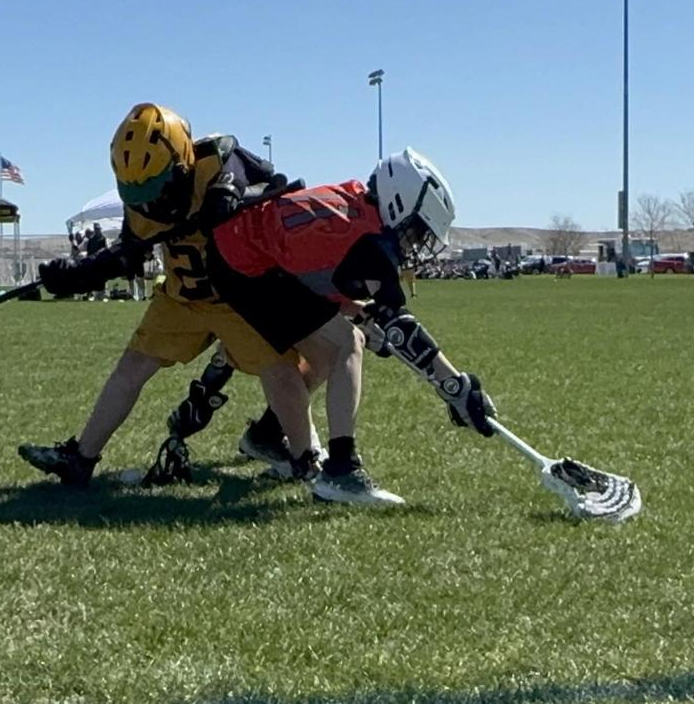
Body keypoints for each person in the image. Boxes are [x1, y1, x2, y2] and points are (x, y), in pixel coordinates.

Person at [21, 102, 320, 490]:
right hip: (181, 298)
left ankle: (305, 462)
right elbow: (129, 254)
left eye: (156, 186)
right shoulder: (141, 198)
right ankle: (81, 458)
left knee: (280, 372)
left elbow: (273, 181)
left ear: (182, 161)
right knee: (131, 368)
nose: (149, 201)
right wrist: (79, 275)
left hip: (239, 298)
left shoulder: (219, 162)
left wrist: (230, 191)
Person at [205, 147, 498, 504]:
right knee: (347, 343)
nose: (417, 242)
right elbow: (402, 328)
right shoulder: (367, 240)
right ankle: (341, 471)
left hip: (249, 259)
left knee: (330, 351)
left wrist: (357, 310)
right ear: (398, 206)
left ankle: (268, 434)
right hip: (246, 267)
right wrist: (456, 386)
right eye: (417, 230)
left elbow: (309, 268)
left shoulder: (354, 205)